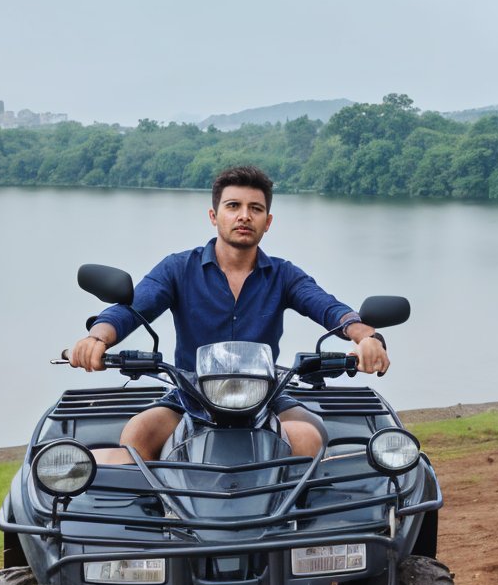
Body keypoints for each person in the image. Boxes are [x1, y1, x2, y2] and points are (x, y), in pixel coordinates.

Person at [66, 165, 391, 463]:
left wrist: (367, 337)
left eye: (255, 208)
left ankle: (297, 522)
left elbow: (329, 307)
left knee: (308, 437)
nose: (244, 216)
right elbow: (134, 307)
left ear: (268, 221)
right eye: (233, 206)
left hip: (266, 397)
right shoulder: (179, 268)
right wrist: (98, 337)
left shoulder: (284, 274)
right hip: (190, 396)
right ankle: (162, 518)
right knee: (138, 434)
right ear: (214, 215)